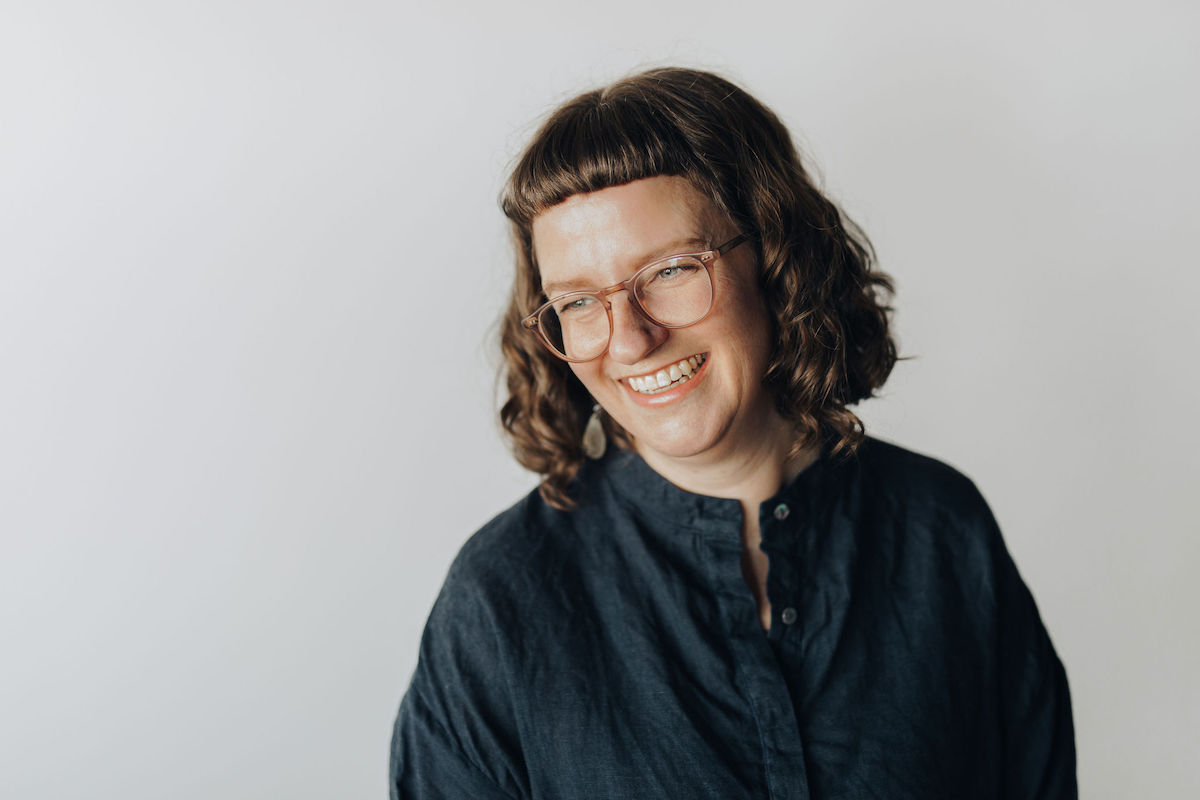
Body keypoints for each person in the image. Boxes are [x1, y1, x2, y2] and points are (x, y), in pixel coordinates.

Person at [390, 67, 1076, 799]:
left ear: (777, 263)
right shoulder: (500, 599)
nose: (629, 341)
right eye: (579, 301)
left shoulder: (942, 530)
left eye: (672, 269)